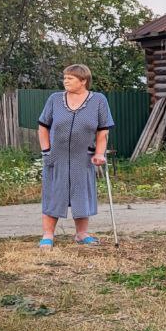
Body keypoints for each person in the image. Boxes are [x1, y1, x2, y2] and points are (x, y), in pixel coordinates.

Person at [37, 64, 114, 247]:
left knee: (81, 194)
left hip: (83, 157)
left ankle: (81, 234)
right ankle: (48, 235)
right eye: (65, 77)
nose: (65, 81)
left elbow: (102, 131)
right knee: (54, 193)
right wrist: (46, 151)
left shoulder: (98, 101)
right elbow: (42, 127)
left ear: (83, 81)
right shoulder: (55, 99)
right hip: (56, 156)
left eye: (70, 78)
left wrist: (99, 153)